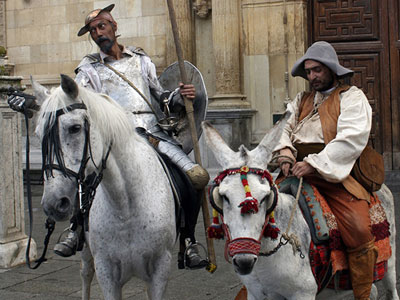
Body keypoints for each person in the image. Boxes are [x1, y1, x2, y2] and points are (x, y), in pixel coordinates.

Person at [9, 4, 209, 269]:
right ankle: (76, 228)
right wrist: (34, 102)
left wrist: (179, 96)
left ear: (114, 27)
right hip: (114, 135)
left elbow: (160, 96)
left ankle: (189, 240)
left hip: (152, 132)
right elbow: (69, 99)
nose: (98, 33)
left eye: (101, 26)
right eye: (93, 30)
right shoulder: (88, 70)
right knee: (88, 175)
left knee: (193, 177)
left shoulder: (140, 60)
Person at [274, 41, 377, 300]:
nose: (312, 76)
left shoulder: (352, 97)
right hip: (294, 171)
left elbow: (350, 139)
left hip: (334, 175)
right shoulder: (302, 99)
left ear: (332, 69)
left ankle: (363, 293)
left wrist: (314, 164)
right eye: (308, 71)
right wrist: (285, 152)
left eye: (318, 70)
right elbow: (284, 127)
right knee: (258, 211)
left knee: (359, 228)